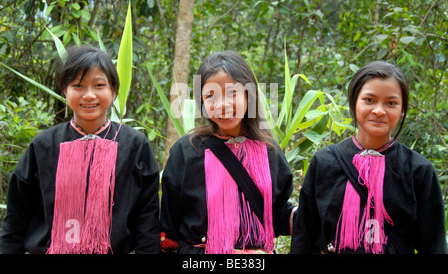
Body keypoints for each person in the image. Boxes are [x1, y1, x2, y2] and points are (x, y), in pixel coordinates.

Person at [0, 45, 160, 254]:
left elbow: (147, 221)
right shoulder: (43, 146)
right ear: (65, 90)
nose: (89, 95)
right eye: (78, 86)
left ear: (113, 91)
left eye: (99, 85)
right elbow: (15, 220)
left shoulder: (135, 146)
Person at [290, 61, 447, 254]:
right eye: (369, 100)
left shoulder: (418, 171)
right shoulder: (324, 162)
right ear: (354, 102)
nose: (379, 110)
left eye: (391, 103)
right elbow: (304, 236)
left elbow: (434, 246)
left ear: (402, 109)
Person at [160, 50, 297, 254]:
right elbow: (168, 228)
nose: (222, 105)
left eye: (232, 93)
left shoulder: (270, 152)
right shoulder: (186, 151)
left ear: (248, 95)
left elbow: (274, 214)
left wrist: (306, 214)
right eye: (211, 96)